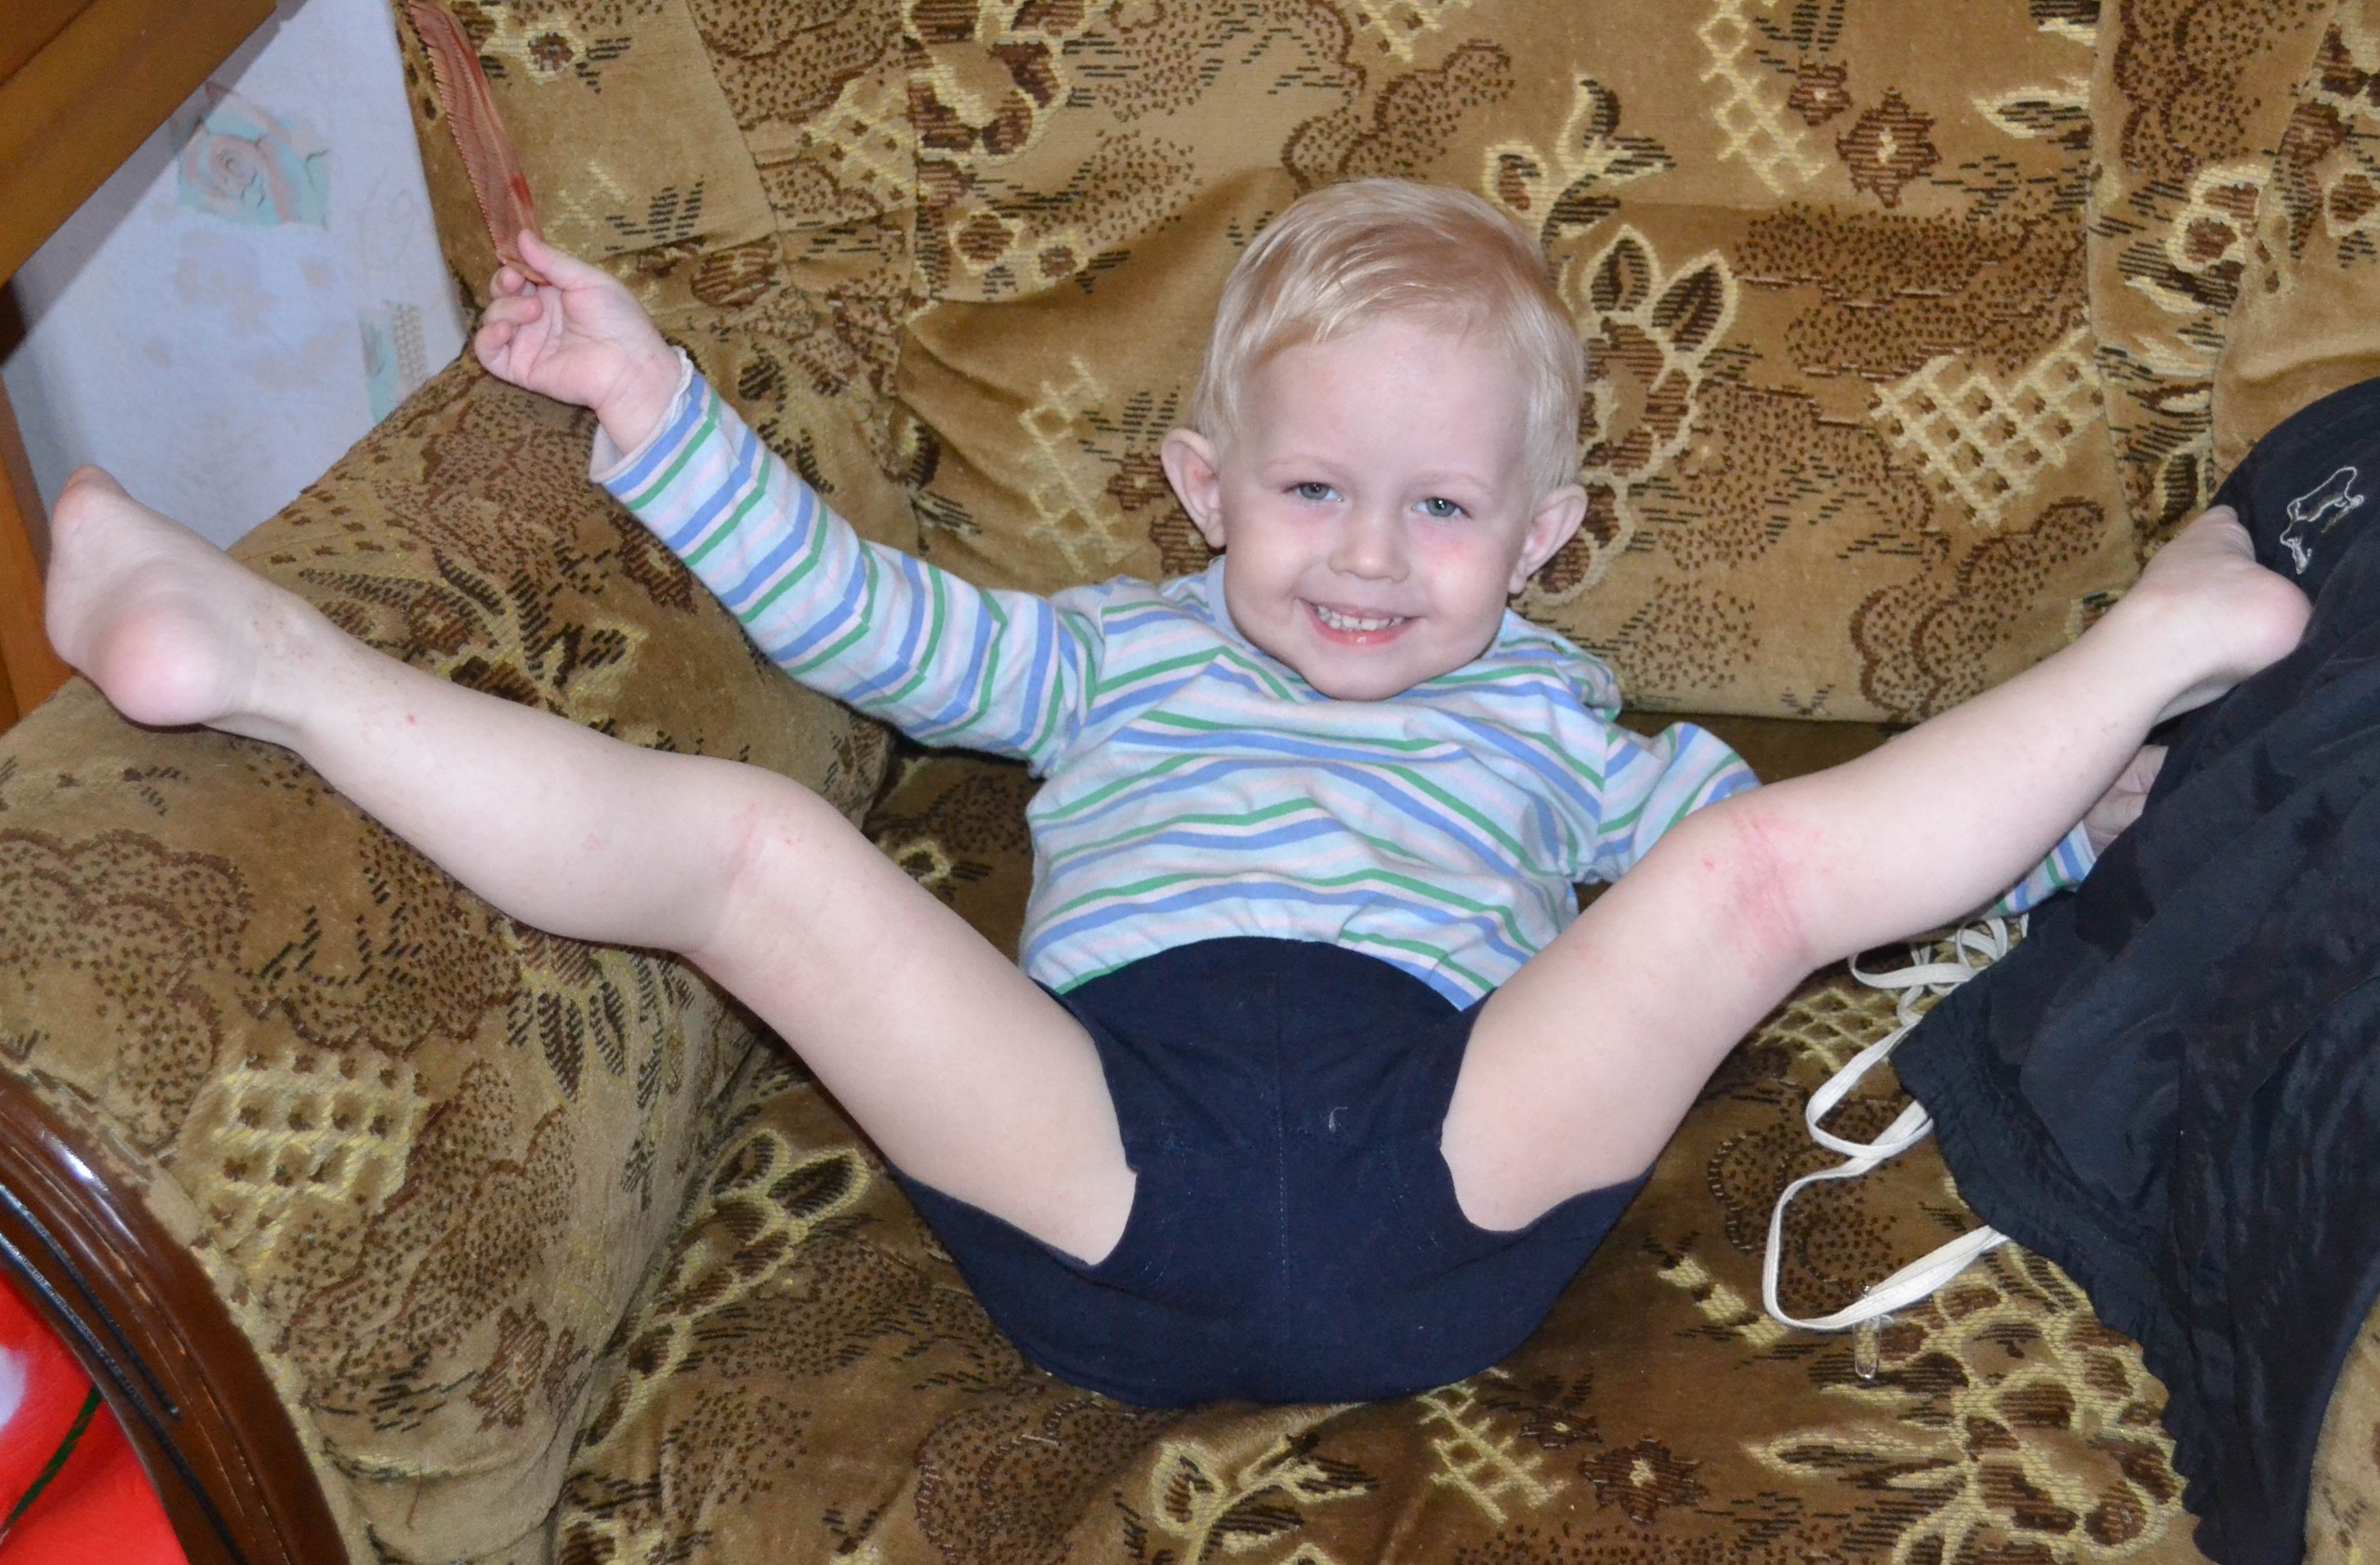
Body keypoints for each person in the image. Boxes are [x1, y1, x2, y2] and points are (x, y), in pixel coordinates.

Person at [40, 179, 2308, 1406]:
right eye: (1310, 489)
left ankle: (2135, 656)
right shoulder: (1103, 649)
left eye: (1441, 510)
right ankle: (266, 662)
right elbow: (855, 617)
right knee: (753, 851)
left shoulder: (1567, 724)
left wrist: (2064, 858)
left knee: (1741, 877)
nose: (1365, 557)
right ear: (1203, 487)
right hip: (1101, 1165)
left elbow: (1841, 892)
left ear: (1540, 538)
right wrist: (649, 401)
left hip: (1444, 1172)